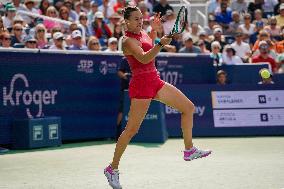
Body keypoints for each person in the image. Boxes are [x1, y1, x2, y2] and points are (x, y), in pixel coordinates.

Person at [104, 6, 211, 189]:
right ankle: (112, 168)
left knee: (188, 108)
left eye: (141, 18)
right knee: (131, 130)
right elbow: (145, 58)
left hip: (155, 80)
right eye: (136, 19)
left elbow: (151, 46)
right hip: (141, 85)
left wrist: (154, 31)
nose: (140, 21)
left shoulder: (144, 32)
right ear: (127, 21)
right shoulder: (126, 40)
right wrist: (160, 43)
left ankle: (189, 149)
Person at [116, 57, 131, 141]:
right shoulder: (125, 59)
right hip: (126, 90)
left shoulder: (142, 58)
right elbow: (119, 72)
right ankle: (118, 133)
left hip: (139, 90)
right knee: (122, 110)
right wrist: (125, 76)